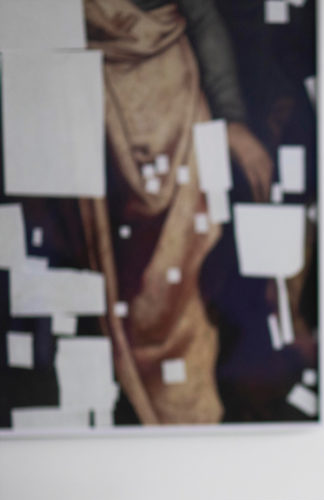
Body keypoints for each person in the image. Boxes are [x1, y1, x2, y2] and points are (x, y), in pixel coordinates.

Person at [79, 0, 273, 424]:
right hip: (94, 105)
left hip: (177, 106)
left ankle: (188, 416)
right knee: (110, 276)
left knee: (186, 270)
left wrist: (232, 119)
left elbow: (201, 14)